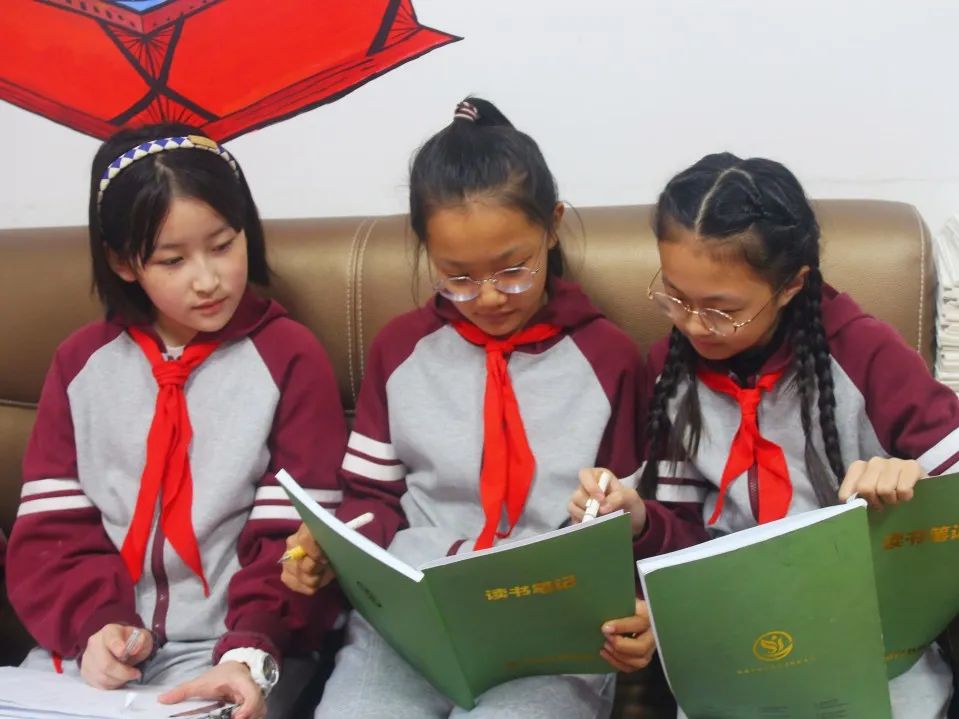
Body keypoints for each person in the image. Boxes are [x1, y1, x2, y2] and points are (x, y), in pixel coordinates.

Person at [282, 97, 646, 717]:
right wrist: (330, 546)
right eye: (457, 277)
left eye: (513, 270)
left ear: (552, 226)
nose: (489, 297)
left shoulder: (608, 358)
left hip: (548, 631)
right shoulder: (400, 350)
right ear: (426, 249)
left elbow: (622, 523)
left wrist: (628, 599)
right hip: (411, 625)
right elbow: (371, 499)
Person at [571, 152, 959, 717]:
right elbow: (684, 544)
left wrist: (915, 482)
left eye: (722, 310)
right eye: (676, 297)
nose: (693, 325)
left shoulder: (864, 354)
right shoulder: (671, 373)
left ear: (790, 286)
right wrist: (641, 521)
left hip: (869, 639)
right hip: (732, 638)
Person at [6, 124, 347, 719]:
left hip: (241, 650)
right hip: (97, 655)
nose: (208, 279)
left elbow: (298, 542)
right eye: (173, 259)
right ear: (122, 261)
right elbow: (53, 532)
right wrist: (96, 627)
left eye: (223, 245)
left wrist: (250, 648)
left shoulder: (289, 357)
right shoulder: (79, 364)